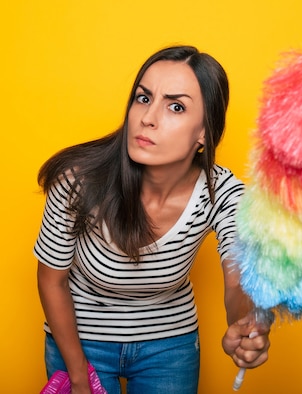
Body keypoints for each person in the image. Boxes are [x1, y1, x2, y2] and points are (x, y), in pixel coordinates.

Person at [34, 45, 271, 394]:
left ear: (204, 132)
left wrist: (244, 324)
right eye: (143, 98)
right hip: (80, 340)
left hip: (168, 346)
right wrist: (79, 377)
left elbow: (237, 282)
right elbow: (51, 281)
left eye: (176, 106)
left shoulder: (222, 194)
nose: (148, 117)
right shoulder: (77, 182)